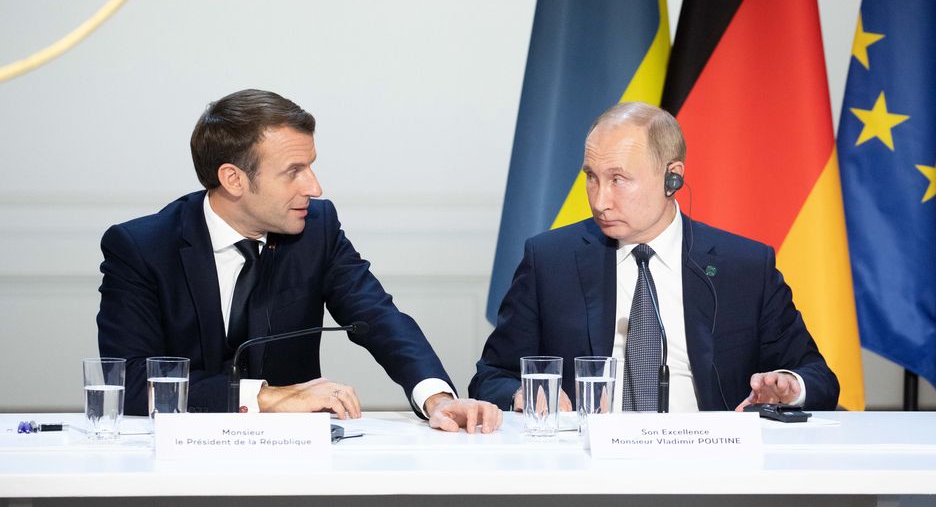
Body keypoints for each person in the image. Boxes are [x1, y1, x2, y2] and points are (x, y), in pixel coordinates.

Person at [98, 89, 501, 433]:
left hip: (294, 460)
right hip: (175, 459)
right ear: (233, 179)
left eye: (311, 166)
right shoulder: (142, 248)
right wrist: (266, 397)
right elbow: (133, 381)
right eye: (294, 171)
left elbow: (378, 317)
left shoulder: (316, 229)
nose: (315, 187)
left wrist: (437, 398)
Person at [469, 102, 839, 413]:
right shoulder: (551, 260)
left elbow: (818, 377)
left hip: (710, 463)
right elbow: (492, 376)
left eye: (618, 179)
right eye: (592, 177)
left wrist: (788, 386)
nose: (599, 200)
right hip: (587, 460)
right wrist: (522, 395)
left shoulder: (744, 267)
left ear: (672, 178)